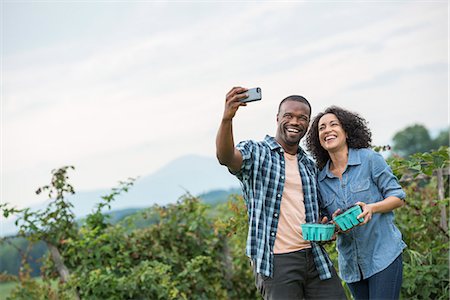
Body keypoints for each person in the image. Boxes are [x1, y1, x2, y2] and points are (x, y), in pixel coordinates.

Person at [216, 87, 347, 300]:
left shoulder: (309, 165)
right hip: (277, 262)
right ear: (277, 118)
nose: (295, 122)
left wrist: (327, 225)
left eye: (302, 118)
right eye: (289, 116)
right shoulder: (257, 153)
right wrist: (227, 119)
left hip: (314, 257)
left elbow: (317, 213)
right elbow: (226, 157)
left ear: (308, 124)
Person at [305, 106, 406, 300]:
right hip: (351, 266)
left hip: (383, 256)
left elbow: (397, 197)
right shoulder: (320, 179)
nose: (327, 130)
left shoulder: (370, 159)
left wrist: (372, 208)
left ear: (346, 131)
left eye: (334, 124)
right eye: (322, 128)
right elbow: (327, 221)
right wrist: (332, 226)